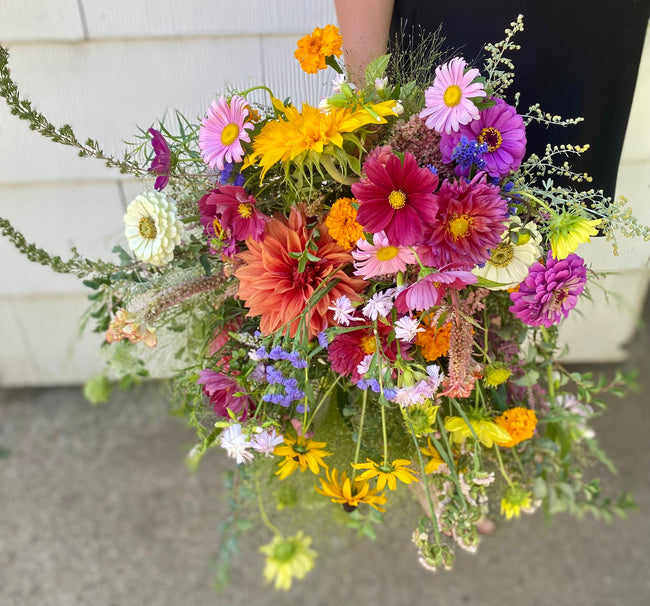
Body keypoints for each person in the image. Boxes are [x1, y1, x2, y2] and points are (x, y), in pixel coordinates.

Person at [334, 0, 649, 199]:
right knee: (437, 223)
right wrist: (368, 99)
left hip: (591, 29)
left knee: (547, 242)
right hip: (467, 23)